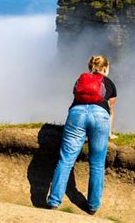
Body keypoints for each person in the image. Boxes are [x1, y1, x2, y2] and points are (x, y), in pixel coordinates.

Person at [47, 55, 117, 215]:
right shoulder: (110, 83)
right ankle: (92, 206)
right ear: (105, 68)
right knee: (97, 164)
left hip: (76, 114)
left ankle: (53, 201)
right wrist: (109, 133)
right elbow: (111, 111)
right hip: (100, 117)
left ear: (90, 67)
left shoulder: (80, 80)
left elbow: (77, 100)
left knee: (65, 160)